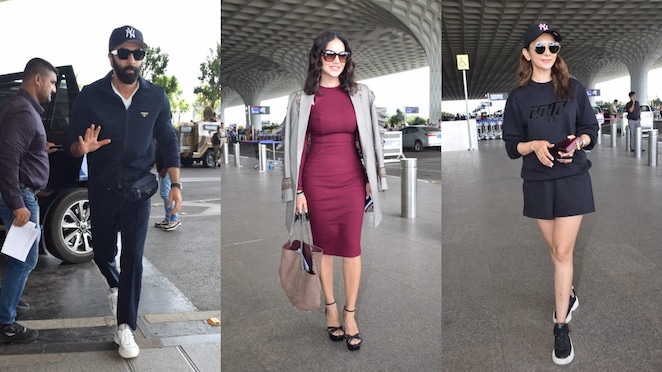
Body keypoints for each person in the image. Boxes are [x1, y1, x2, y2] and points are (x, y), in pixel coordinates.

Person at [63, 25, 182, 359]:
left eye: (138, 54)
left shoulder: (155, 96)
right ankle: (115, 283)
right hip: (102, 189)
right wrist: (80, 147)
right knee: (102, 253)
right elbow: (71, 141)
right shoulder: (90, 94)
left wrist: (175, 183)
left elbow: (169, 139)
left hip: (139, 191)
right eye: (124, 53)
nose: (132, 60)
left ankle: (126, 327)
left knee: (133, 259)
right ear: (111, 57)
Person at [282, 30, 388, 352]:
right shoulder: (301, 99)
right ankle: (330, 307)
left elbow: (371, 138)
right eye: (330, 55)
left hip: (352, 180)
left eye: (343, 56)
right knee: (324, 248)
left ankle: (350, 312)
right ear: (318, 57)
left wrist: (372, 177)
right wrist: (298, 189)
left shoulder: (361, 93)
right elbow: (295, 148)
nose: (337, 62)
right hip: (317, 180)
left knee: (352, 248)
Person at [502, 22, 598, 365]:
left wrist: (579, 142)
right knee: (556, 250)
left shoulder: (573, 88)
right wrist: (533, 145)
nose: (546, 53)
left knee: (561, 250)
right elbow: (513, 145)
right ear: (527, 54)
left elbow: (590, 128)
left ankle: (560, 326)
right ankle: (568, 293)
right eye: (539, 47)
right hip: (538, 181)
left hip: (573, 177)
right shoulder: (518, 97)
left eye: (552, 47)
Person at [0, 58, 58, 343]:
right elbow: (7, 159)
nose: (54, 90)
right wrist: (16, 203)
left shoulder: (21, 108)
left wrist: (39, 148)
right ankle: (4, 323)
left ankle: (8, 302)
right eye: (52, 82)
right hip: (20, 194)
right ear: (37, 79)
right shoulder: (24, 111)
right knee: (25, 259)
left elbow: (18, 148)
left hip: (22, 191)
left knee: (20, 257)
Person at [154, 141, 181, 231]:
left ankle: (174, 218)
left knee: (165, 194)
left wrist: (166, 168)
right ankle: (168, 218)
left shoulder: (170, 133)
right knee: (165, 193)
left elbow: (173, 152)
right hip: (162, 168)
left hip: (167, 169)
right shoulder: (160, 133)